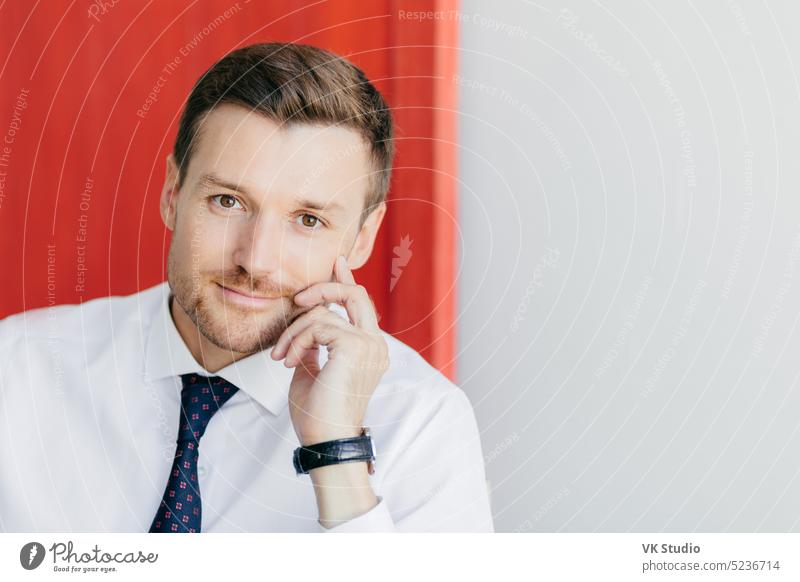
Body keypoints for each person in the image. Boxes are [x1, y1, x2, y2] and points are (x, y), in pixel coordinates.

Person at [0, 42, 493, 532]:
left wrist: (336, 454)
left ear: (362, 238)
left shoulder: (421, 423)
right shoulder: (18, 370)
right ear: (173, 194)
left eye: (308, 219)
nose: (255, 260)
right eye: (227, 202)